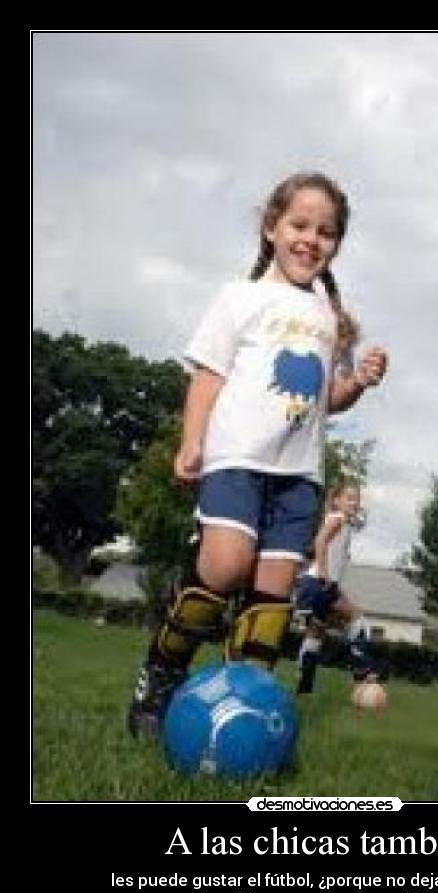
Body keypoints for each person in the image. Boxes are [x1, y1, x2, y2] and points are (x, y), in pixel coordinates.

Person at [127, 172, 388, 737]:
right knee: (223, 566)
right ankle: (161, 673)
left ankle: (239, 713)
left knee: (271, 599)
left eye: (326, 232)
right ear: (271, 228)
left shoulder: (329, 317)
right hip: (236, 459)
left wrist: (360, 381)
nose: (311, 239)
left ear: (336, 244)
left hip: (299, 476)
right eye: (299, 225)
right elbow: (208, 374)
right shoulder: (239, 297)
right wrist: (191, 440)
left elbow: (328, 401)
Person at [294, 481, 375, 694]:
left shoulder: (342, 521)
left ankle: (304, 685)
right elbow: (319, 541)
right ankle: (362, 673)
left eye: (357, 499)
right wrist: (323, 572)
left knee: (316, 632)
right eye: (349, 498)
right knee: (358, 619)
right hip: (318, 582)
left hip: (313, 584)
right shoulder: (337, 519)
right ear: (337, 501)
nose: (354, 502)